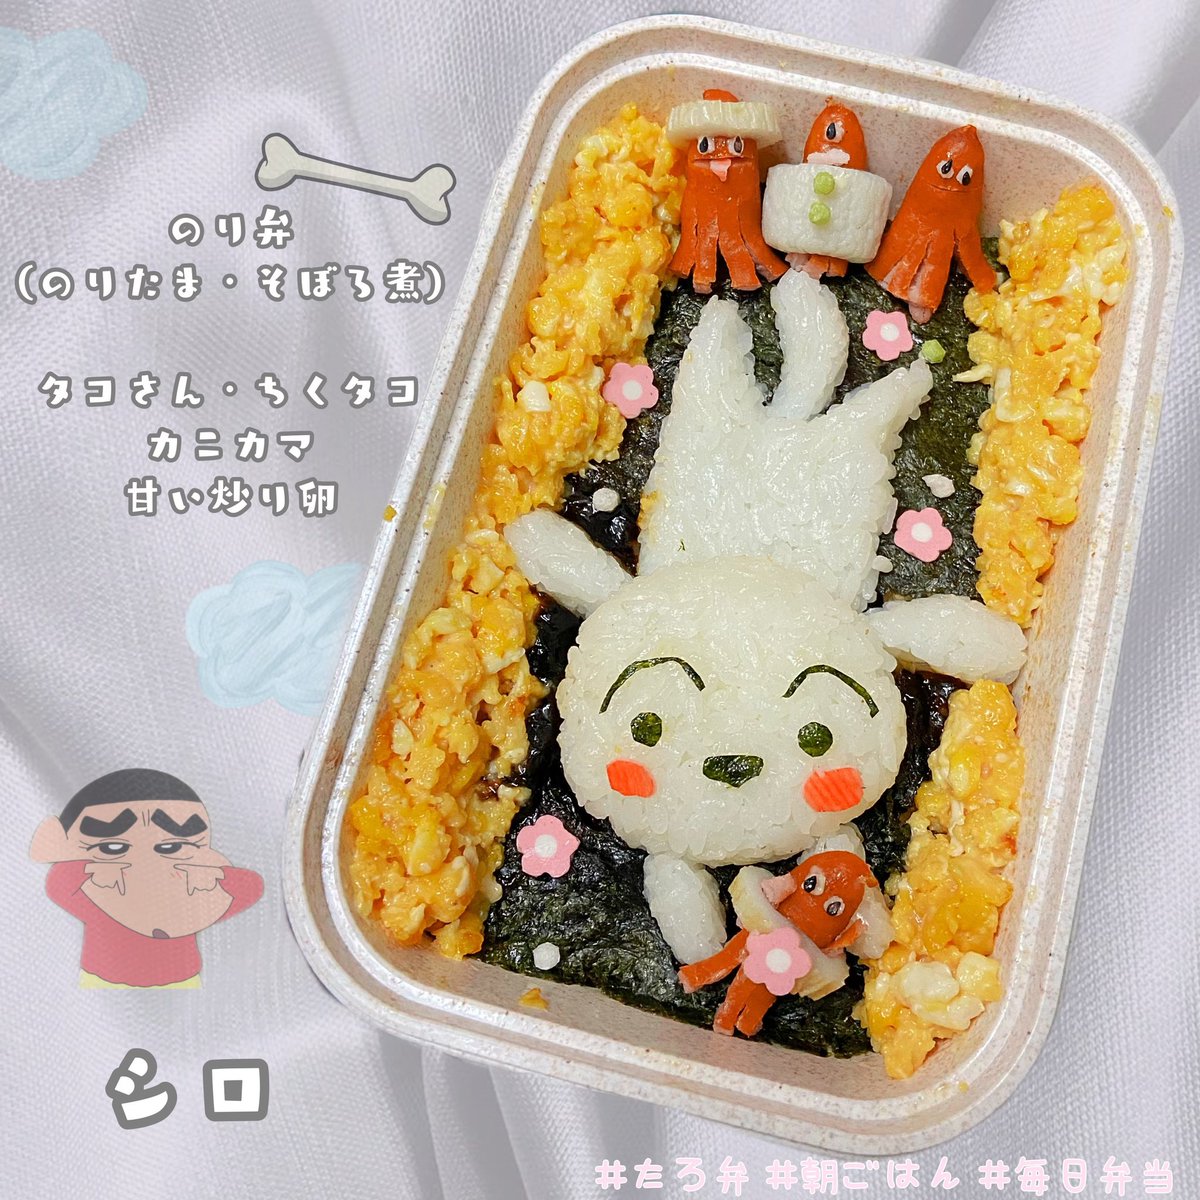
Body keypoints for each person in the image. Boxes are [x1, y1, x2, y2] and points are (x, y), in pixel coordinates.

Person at [29, 768, 263, 988]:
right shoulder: (96, 887)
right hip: (103, 983)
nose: (145, 860)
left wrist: (215, 873)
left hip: (181, 981)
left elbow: (251, 887)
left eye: (170, 846)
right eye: (113, 847)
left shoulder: (191, 887)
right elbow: (58, 885)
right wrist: (88, 866)